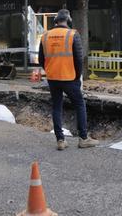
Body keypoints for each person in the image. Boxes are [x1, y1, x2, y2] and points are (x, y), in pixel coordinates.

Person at [38, 9, 98, 150]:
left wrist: (50, 70)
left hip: (53, 78)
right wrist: (77, 75)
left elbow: (41, 59)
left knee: (57, 107)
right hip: (69, 77)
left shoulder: (45, 36)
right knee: (79, 104)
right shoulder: (73, 34)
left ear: (56, 21)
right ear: (68, 20)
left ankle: (60, 140)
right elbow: (79, 58)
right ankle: (83, 138)